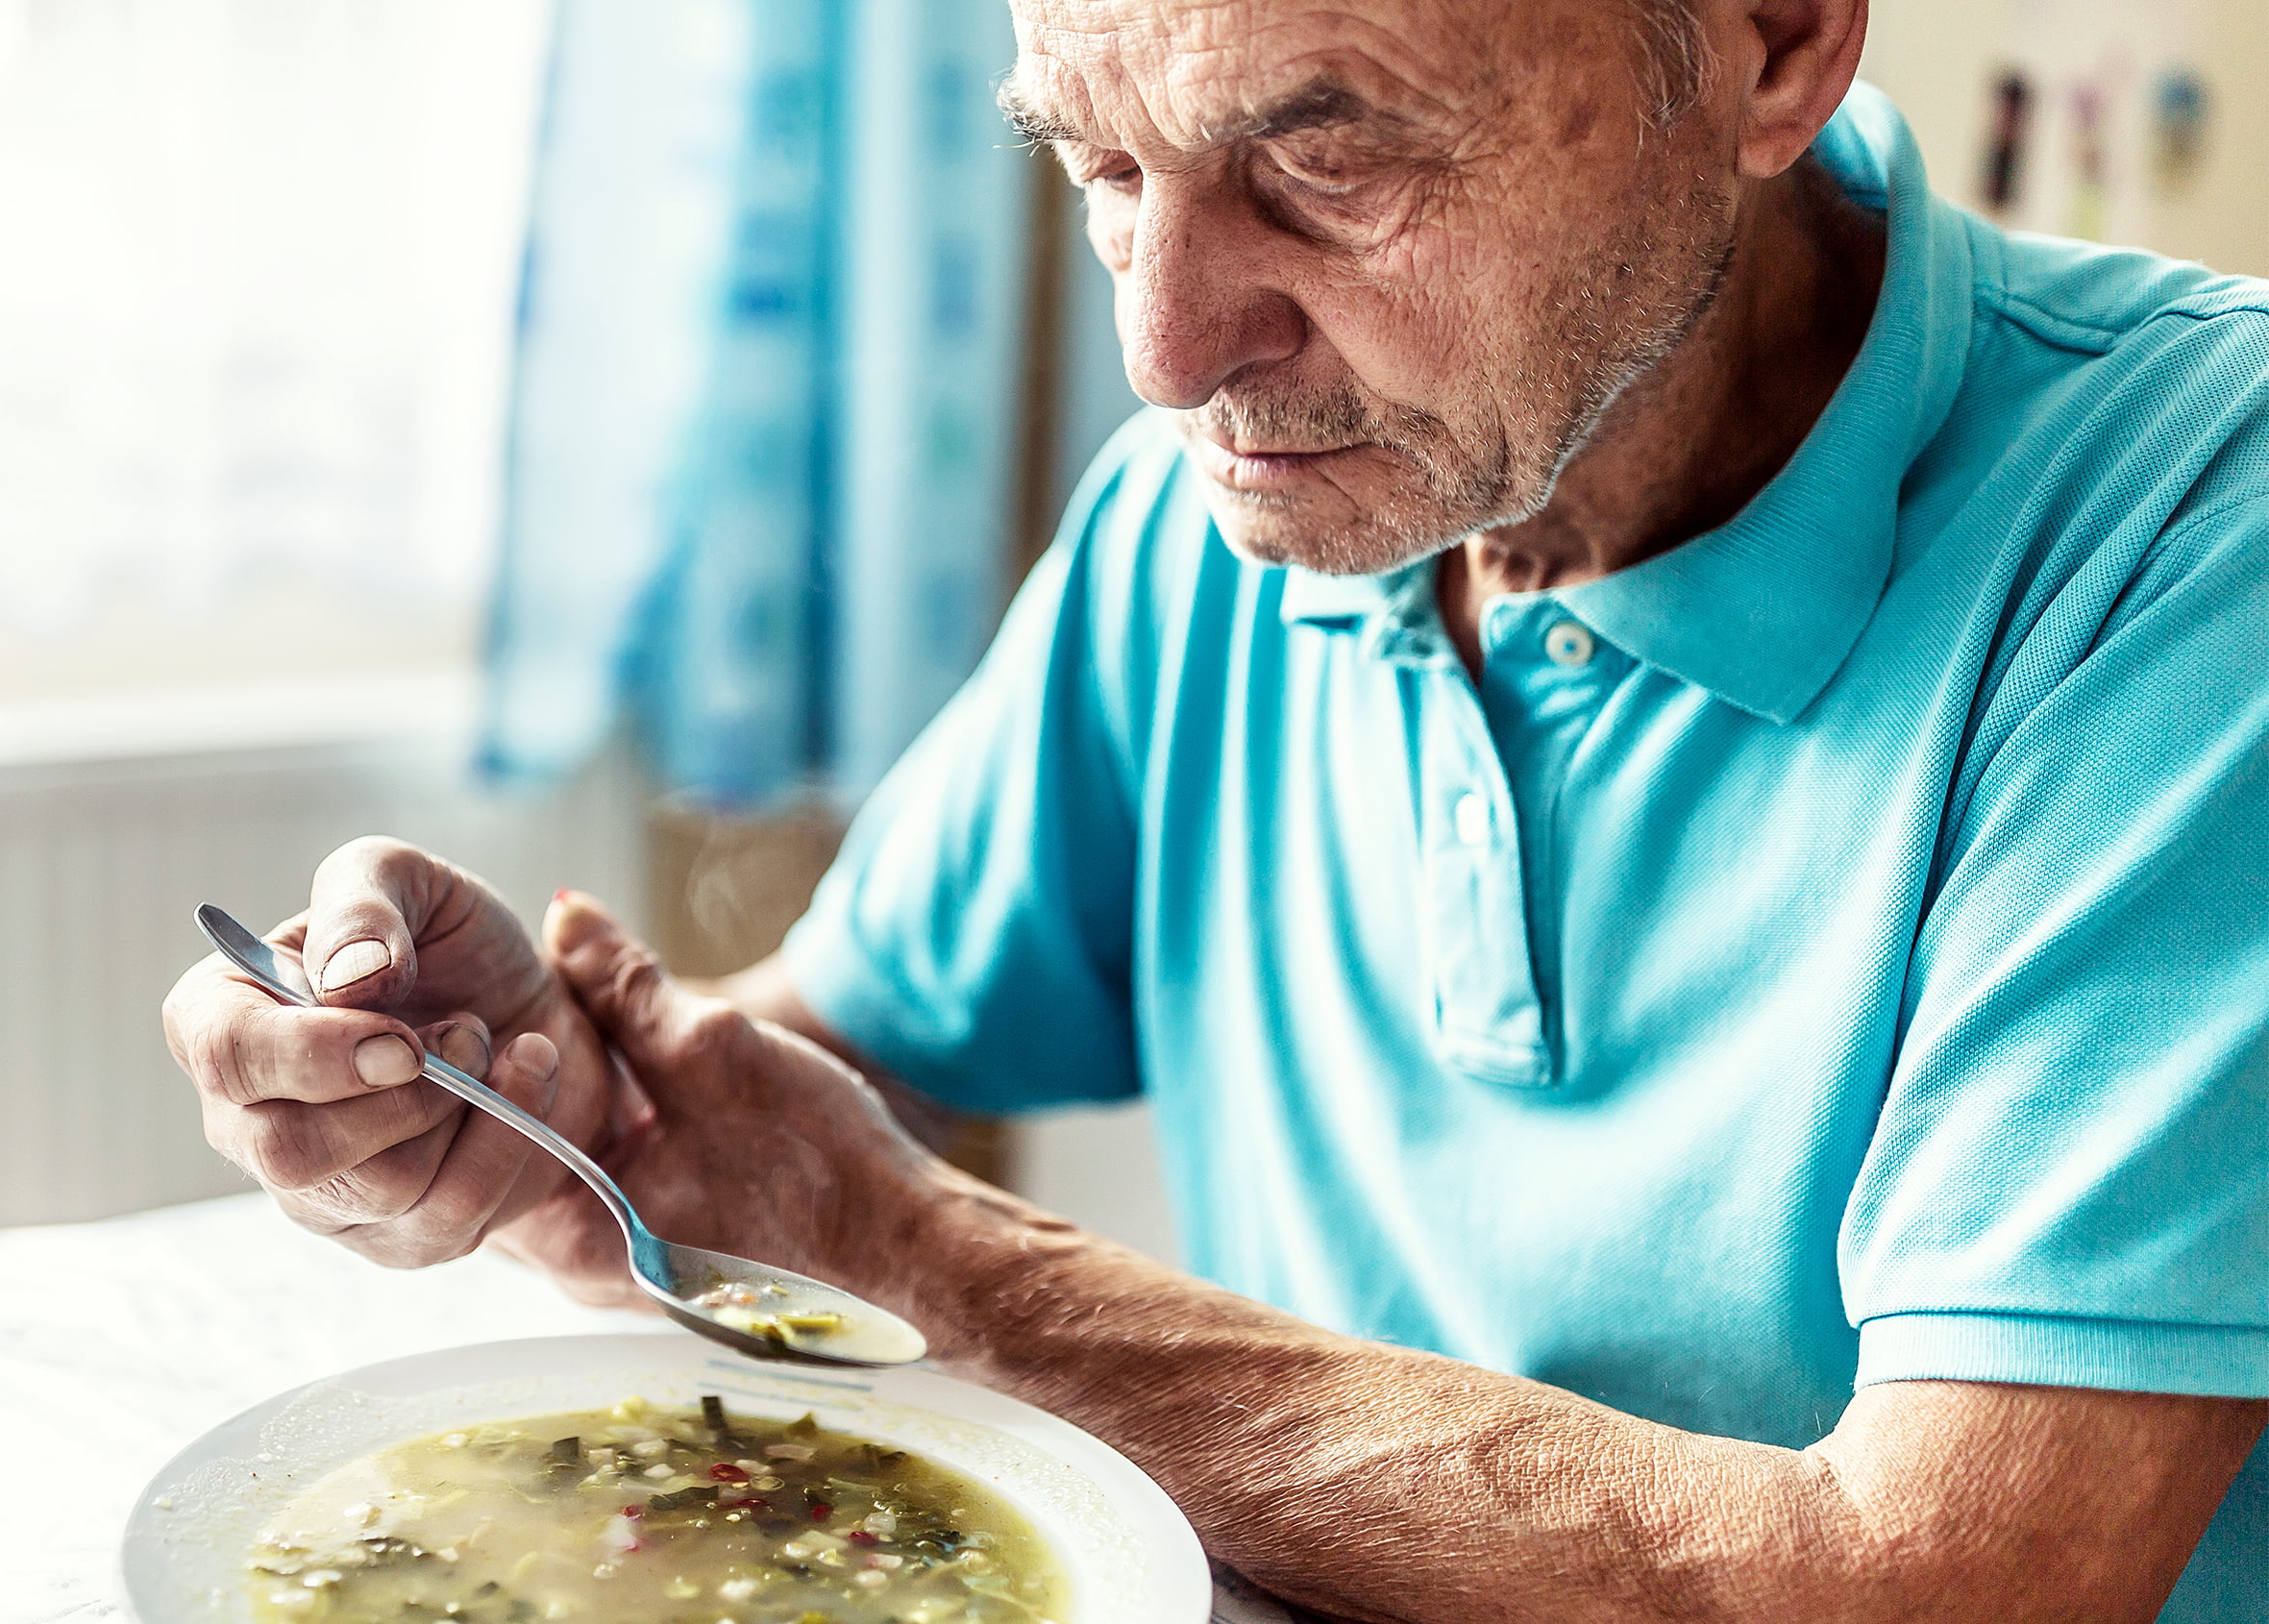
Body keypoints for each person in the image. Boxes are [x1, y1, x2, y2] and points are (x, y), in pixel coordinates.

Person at [163, 0, 2269, 1615]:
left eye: (1326, 160)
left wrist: (924, 1253)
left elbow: (1940, 1578)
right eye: (1093, 158)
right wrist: (525, 1101)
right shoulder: (1245, 517)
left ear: (1775, 41)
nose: (1167, 348)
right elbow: (789, 1097)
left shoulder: (2200, 523)